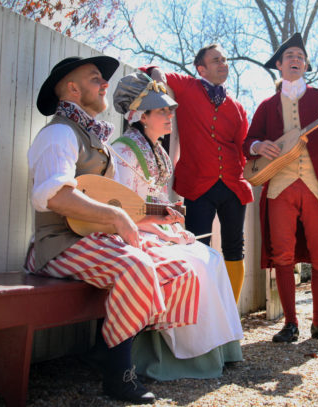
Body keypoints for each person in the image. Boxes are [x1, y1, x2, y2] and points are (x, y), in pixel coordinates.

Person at [25, 56, 198, 404]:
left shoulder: (95, 139)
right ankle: (119, 377)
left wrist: (153, 218)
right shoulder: (59, 133)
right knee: (137, 267)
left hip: (95, 240)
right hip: (58, 246)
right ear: (72, 89)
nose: (105, 83)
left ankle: (104, 349)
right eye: (95, 79)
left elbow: (116, 205)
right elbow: (57, 197)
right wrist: (118, 220)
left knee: (179, 270)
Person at [110, 71, 243, 380]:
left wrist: (171, 221)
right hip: (133, 237)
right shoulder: (125, 151)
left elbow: (157, 203)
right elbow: (123, 212)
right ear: (141, 116)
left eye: (169, 109)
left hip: (158, 232)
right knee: (194, 263)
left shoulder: (159, 152)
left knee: (213, 258)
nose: (170, 116)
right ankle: (178, 356)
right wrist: (159, 224)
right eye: (161, 111)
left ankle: (221, 349)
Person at [243, 33, 318, 343]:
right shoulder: (266, 106)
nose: (296, 60)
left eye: (300, 57)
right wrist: (257, 146)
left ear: (305, 65)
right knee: (283, 256)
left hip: (316, 186)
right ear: (278, 64)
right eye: (290, 55)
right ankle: (290, 323)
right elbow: (246, 142)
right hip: (279, 186)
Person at [139, 44, 253, 304]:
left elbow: (243, 147)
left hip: (234, 185)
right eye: (216, 60)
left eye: (224, 59)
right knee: (198, 247)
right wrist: (156, 76)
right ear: (201, 68)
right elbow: (148, 69)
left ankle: (230, 314)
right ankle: (203, 312)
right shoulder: (188, 86)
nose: (223, 63)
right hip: (198, 185)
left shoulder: (237, 107)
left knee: (235, 249)